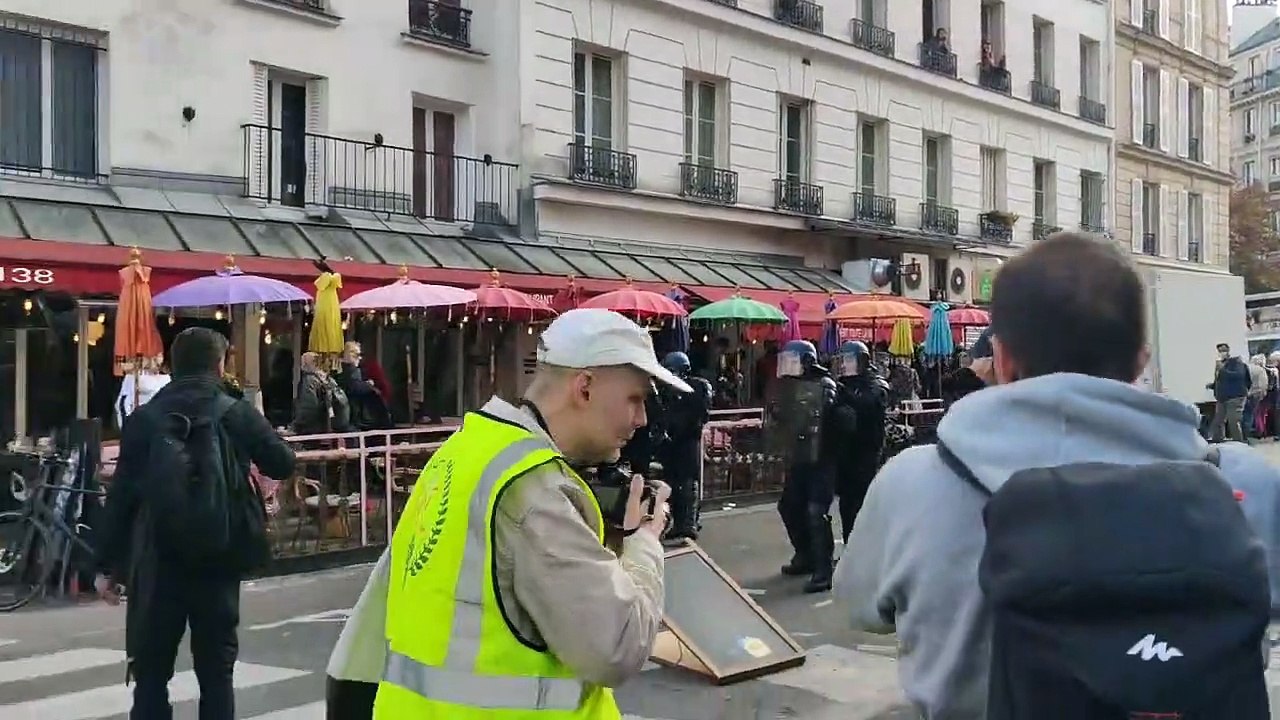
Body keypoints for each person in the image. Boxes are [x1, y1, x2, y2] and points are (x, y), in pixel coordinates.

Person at [834, 233, 1280, 718]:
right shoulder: (1243, 484)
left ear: (1001, 360)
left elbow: (860, 610)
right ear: (1140, 362)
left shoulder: (911, 484)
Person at [326, 308, 683, 718]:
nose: (641, 419)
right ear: (584, 388)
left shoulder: (467, 450)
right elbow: (616, 647)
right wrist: (644, 546)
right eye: (634, 399)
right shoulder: (534, 488)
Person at [94, 327, 296, 720]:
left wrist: (106, 566)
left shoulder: (145, 419)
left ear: (171, 366)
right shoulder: (235, 411)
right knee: (216, 672)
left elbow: (122, 499)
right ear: (219, 364)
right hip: (219, 555)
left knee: (151, 674)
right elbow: (283, 463)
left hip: (157, 559)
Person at [770, 339, 839, 593]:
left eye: (792, 361)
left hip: (821, 458)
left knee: (815, 511)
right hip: (799, 456)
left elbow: (826, 417)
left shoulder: (824, 385)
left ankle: (823, 568)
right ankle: (805, 554)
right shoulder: (788, 387)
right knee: (788, 506)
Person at [831, 340, 889, 544]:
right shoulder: (842, 384)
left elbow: (868, 404)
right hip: (845, 452)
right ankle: (850, 547)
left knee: (861, 505)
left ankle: (866, 550)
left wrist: (845, 396)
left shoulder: (874, 383)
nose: (845, 365)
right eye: (842, 360)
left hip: (865, 453)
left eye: (849, 360)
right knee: (846, 506)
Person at [657, 351, 713, 542]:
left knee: (688, 483)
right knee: (672, 482)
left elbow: (700, 415)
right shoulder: (665, 389)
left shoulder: (697, 387)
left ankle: (689, 523)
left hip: (688, 440)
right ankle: (679, 523)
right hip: (670, 441)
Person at [1209, 342, 1250, 442]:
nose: (1221, 353)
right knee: (1218, 420)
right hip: (1222, 396)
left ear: (1228, 351)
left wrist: (1222, 369)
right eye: (1219, 351)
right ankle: (1218, 440)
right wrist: (1213, 386)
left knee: (1233, 421)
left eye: (1223, 350)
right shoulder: (1221, 364)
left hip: (1235, 396)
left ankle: (1239, 442)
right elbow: (1221, 379)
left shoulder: (1236, 362)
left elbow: (1237, 376)